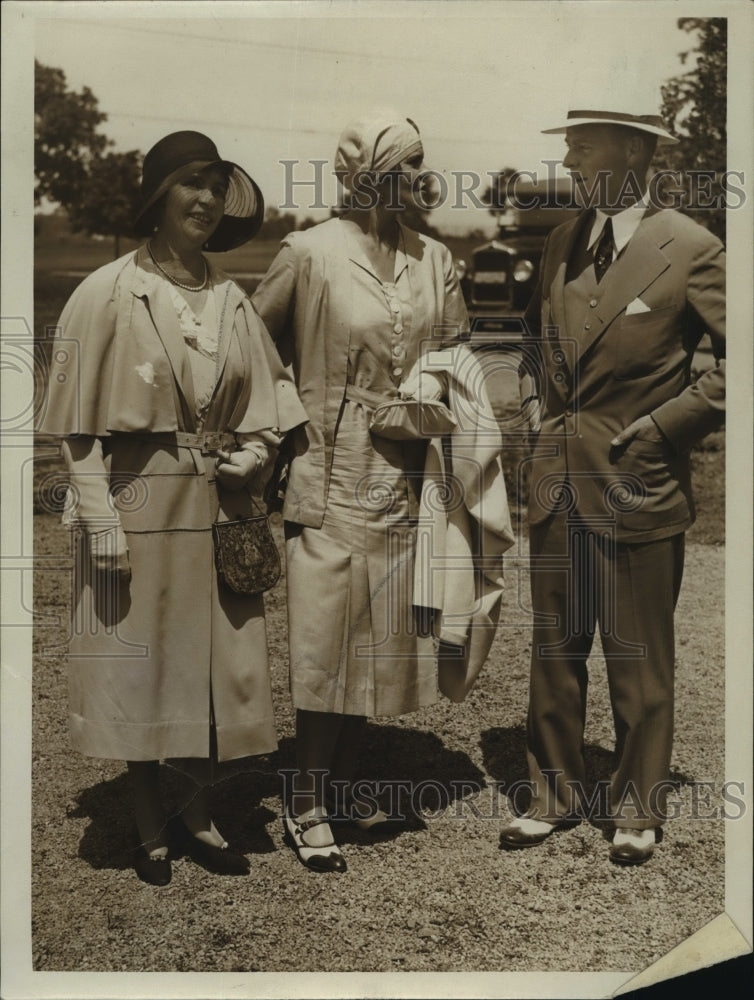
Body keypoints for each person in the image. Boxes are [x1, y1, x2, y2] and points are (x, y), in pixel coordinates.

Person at [39, 131, 307, 885]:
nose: (207, 199)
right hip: (136, 503)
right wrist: (102, 524)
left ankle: (199, 815)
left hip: (216, 506)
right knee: (141, 663)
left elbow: (268, 410)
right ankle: (150, 821)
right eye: (192, 183)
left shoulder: (230, 300)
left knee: (208, 667)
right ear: (158, 197)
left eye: (218, 184)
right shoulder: (107, 293)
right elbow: (75, 428)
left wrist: (250, 460)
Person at [499, 108, 725, 865]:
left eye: (582, 144)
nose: (569, 158)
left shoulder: (691, 246)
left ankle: (636, 808)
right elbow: (534, 345)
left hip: (637, 480)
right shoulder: (564, 240)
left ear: (633, 150)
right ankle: (553, 794)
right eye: (567, 144)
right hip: (557, 480)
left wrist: (666, 428)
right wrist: (533, 409)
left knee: (636, 655)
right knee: (555, 647)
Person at [252, 112, 470, 873]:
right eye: (409, 164)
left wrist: (433, 395)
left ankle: (341, 789)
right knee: (326, 639)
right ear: (372, 173)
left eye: (421, 163)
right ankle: (304, 798)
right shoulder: (309, 253)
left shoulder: (434, 257)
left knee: (378, 641)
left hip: (411, 478)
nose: (421, 175)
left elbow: (454, 351)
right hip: (329, 473)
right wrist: (291, 422)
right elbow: (251, 352)